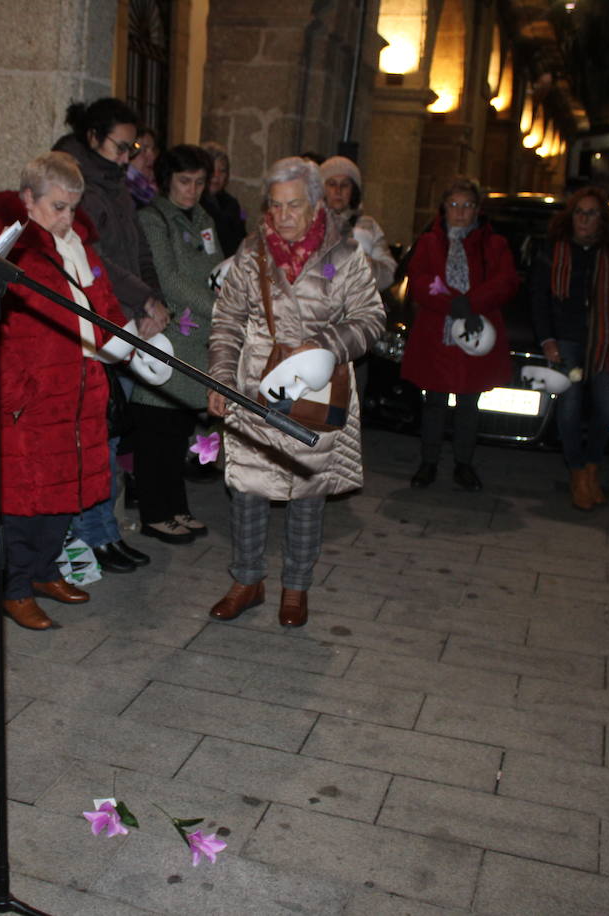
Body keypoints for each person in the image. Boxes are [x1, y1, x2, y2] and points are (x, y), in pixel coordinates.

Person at [206, 157, 383, 628]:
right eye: (276, 205)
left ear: (316, 204)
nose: (283, 216)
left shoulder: (344, 255)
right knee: (248, 487)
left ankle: (296, 587)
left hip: (317, 388)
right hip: (255, 385)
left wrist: (325, 347)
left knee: (308, 490)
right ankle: (247, 580)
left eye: (294, 205)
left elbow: (370, 319)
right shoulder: (252, 253)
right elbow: (226, 321)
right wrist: (221, 377)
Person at [0, 152, 132, 627]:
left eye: (73, 208)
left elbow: (102, 304)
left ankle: (44, 572)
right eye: (58, 207)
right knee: (23, 503)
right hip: (30, 400)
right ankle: (14, 588)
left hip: (77, 394)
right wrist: (16, 396)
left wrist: (121, 340)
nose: (67, 218)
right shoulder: (9, 250)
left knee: (63, 496)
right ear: (28, 199)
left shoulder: (78, 246)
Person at [53, 98, 166, 570]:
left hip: (126, 320)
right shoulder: (73, 181)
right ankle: (90, 536)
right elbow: (93, 258)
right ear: (94, 137)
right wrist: (142, 300)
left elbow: (138, 250)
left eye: (132, 148)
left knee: (112, 435)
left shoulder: (117, 182)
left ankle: (105, 532)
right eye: (120, 147)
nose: (127, 157)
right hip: (94, 322)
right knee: (94, 437)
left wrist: (153, 297)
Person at [400, 178, 518, 491]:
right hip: (438, 335)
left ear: (477, 210)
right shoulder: (429, 242)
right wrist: (452, 304)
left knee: (469, 404)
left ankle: (463, 464)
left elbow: (505, 281)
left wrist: (471, 304)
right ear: (444, 208)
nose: (460, 212)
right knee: (434, 403)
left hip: (476, 334)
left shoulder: (494, 244)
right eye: (454, 205)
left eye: (467, 206)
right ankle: (429, 462)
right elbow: (419, 280)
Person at [134, 144, 222, 544]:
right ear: (167, 179)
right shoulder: (154, 218)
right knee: (158, 426)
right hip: (170, 335)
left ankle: (176, 506)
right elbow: (169, 280)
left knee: (179, 429)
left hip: (199, 337)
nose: (192, 190)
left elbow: (216, 268)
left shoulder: (203, 218)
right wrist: (219, 308)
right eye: (185, 181)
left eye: (200, 182)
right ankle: (156, 513)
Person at [529, 186, 609, 510]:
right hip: (567, 340)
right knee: (570, 406)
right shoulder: (554, 249)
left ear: (601, 219)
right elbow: (538, 296)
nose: (584, 219)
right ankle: (577, 472)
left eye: (591, 213)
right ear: (570, 215)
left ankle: (592, 468)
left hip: (606, 341)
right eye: (579, 212)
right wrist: (547, 339)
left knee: (607, 406)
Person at [319, 156, 398, 291]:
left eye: (344, 185)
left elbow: (389, 273)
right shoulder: (310, 224)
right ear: (322, 190)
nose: (338, 190)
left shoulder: (368, 225)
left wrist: (361, 264)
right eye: (332, 184)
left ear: (353, 190)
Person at [200, 141, 246, 257]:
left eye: (222, 171)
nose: (216, 175)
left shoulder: (231, 204)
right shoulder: (193, 203)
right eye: (212, 169)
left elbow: (241, 242)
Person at [125, 126, 160, 207]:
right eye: (144, 150)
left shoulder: (158, 188)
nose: (152, 157)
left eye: (153, 150)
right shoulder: (122, 193)